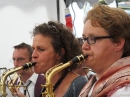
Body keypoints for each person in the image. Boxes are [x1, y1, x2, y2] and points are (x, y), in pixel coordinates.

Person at [78, 5, 130, 97]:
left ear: (118, 43)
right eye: (84, 38)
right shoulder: (95, 82)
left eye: (92, 38)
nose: (84, 46)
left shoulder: (125, 90)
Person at [31, 21, 88, 97]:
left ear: (60, 53)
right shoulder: (47, 85)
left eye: (41, 49)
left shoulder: (79, 85)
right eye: (33, 49)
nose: (33, 55)